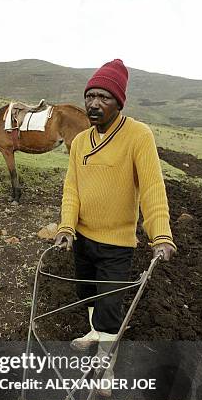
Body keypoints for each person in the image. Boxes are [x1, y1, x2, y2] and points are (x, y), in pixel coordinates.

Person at [54, 59, 176, 366]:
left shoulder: (138, 135)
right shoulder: (81, 141)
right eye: (90, 96)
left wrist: (161, 234)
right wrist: (66, 228)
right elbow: (72, 189)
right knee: (88, 295)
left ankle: (104, 368)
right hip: (83, 238)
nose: (94, 103)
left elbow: (151, 188)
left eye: (103, 97)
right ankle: (94, 332)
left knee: (110, 308)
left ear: (118, 102)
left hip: (116, 244)